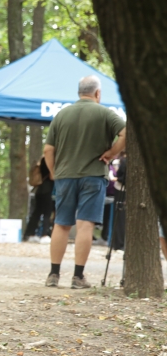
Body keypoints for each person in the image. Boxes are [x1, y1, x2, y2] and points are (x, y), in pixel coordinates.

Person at [43, 75, 126, 289]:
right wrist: (111, 153)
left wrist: (54, 172)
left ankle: (53, 274)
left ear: (79, 92)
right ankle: (78, 277)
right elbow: (126, 134)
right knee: (85, 225)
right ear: (98, 93)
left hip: (65, 176)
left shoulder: (61, 115)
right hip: (93, 175)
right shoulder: (106, 113)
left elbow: (48, 150)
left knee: (61, 224)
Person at [24, 156, 54, 243]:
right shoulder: (50, 160)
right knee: (47, 213)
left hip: (39, 190)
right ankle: (44, 235)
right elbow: (52, 176)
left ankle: (30, 234)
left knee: (36, 213)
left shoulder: (42, 161)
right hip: (48, 190)